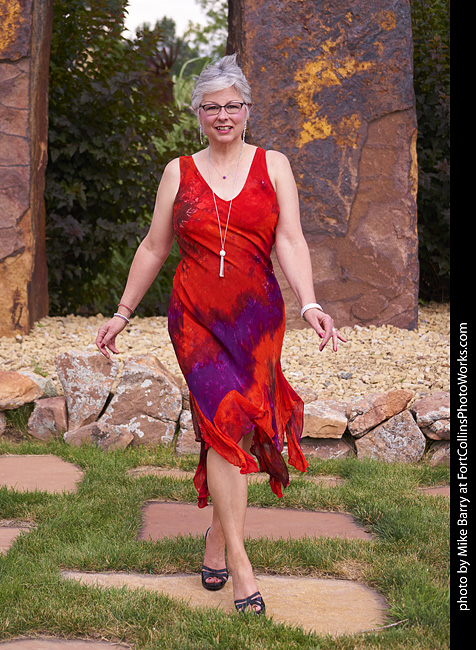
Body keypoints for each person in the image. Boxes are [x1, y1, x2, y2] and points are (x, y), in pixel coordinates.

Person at [96, 54, 346, 615]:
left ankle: (215, 536)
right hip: (196, 321)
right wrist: (123, 312)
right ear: (198, 114)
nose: (224, 115)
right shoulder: (178, 172)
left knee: (239, 431)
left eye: (233, 105)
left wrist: (309, 302)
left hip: (258, 322)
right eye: (212, 107)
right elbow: (154, 246)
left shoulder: (274, 165)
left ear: (248, 110)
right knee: (223, 422)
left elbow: (291, 240)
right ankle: (240, 564)